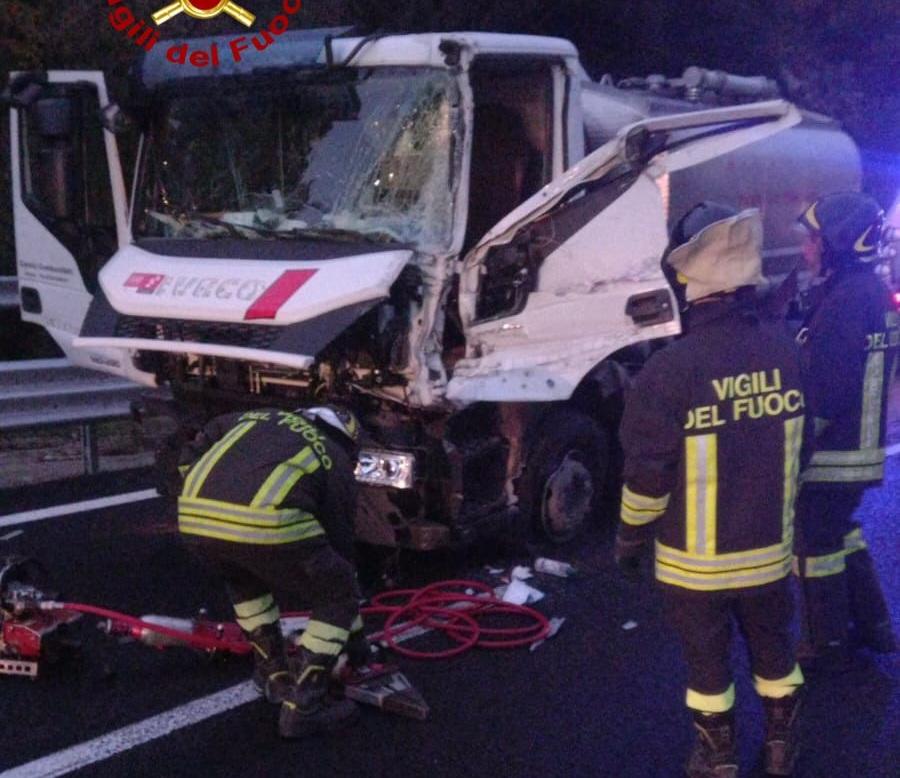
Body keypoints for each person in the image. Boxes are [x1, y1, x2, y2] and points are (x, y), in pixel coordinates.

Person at [615, 204, 810, 777]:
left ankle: (717, 756)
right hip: (769, 555)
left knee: (707, 666)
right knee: (775, 652)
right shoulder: (788, 353)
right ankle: (780, 749)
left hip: (694, 569)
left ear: (689, 284)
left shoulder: (670, 370)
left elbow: (646, 478)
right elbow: (805, 450)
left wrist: (630, 538)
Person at [176, 404, 369, 739]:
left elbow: (196, 443)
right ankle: (305, 705)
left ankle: (274, 675)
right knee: (336, 593)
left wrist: (198, 484)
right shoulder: (335, 458)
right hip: (267, 521)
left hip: (193, 516)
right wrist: (356, 642)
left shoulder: (257, 416)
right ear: (347, 440)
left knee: (244, 579)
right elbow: (341, 557)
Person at [793, 191, 899, 664]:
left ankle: (826, 641)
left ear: (837, 243)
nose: (805, 249)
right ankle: (875, 626)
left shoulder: (847, 301)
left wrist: (793, 449)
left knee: (814, 544)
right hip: (858, 449)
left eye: (812, 240)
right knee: (841, 531)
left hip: (833, 453)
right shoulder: (869, 293)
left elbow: (825, 391)